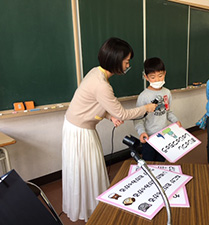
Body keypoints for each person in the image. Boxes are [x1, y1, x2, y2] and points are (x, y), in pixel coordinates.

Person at [62, 37, 156, 222]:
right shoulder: (102, 85)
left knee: (87, 169)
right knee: (87, 170)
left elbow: (92, 104)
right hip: (80, 131)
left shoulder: (96, 73)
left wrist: (109, 116)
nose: (128, 65)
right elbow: (122, 113)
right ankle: (89, 210)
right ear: (115, 60)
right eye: (126, 61)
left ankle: (88, 206)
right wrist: (146, 108)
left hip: (78, 127)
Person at [134, 57, 181, 162]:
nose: (157, 80)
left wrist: (175, 121)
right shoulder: (144, 96)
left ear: (164, 73)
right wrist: (141, 132)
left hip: (164, 135)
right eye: (153, 77)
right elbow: (138, 118)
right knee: (149, 163)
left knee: (161, 162)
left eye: (160, 76)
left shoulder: (167, 92)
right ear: (146, 77)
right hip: (149, 138)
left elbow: (168, 111)